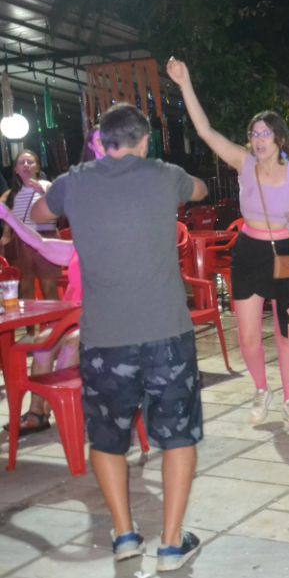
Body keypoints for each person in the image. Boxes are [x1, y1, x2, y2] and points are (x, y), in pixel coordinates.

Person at [33, 103, 209, 571]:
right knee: (177, 437)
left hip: (105, 340)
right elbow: (201, 188)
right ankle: (171, 544)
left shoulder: (74, 181)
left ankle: (125, 536)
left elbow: (38, 211)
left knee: (108, 440)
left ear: (102, 141)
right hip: (166, 335)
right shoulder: (164, 175)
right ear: (144, 141)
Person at [167, 57, 289, 428]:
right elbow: (205, 130)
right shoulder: (243, 163)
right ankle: (261, 389)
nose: (258, 140)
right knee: (249, 335)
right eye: (254, 134)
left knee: (286, 333)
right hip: (249, 251)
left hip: (286, 252)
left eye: (265, 134)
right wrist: (185, 84)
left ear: (279, 138)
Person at [0, 131, 103, 435]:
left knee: (70, 346)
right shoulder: (76, 249)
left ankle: (67, 409)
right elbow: (39, 241)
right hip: (72, 321)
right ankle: (38, 413)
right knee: (42, 345)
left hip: (102, 321)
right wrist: (9, 217)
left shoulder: (112, 251)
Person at [1, 150, 61, 301]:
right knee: (24, 288)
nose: (26, 165)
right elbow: (8, 217)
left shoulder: (47, 186)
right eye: (21, 163)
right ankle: (30, 317)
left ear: (37, 167)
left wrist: (42, 193)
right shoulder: (11, 193)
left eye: (30, 162)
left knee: (48, 287)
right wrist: (6, 235)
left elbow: (58, 210)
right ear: (16, 169)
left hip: (45, 239)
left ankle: (54, 317)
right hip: (21, 244)